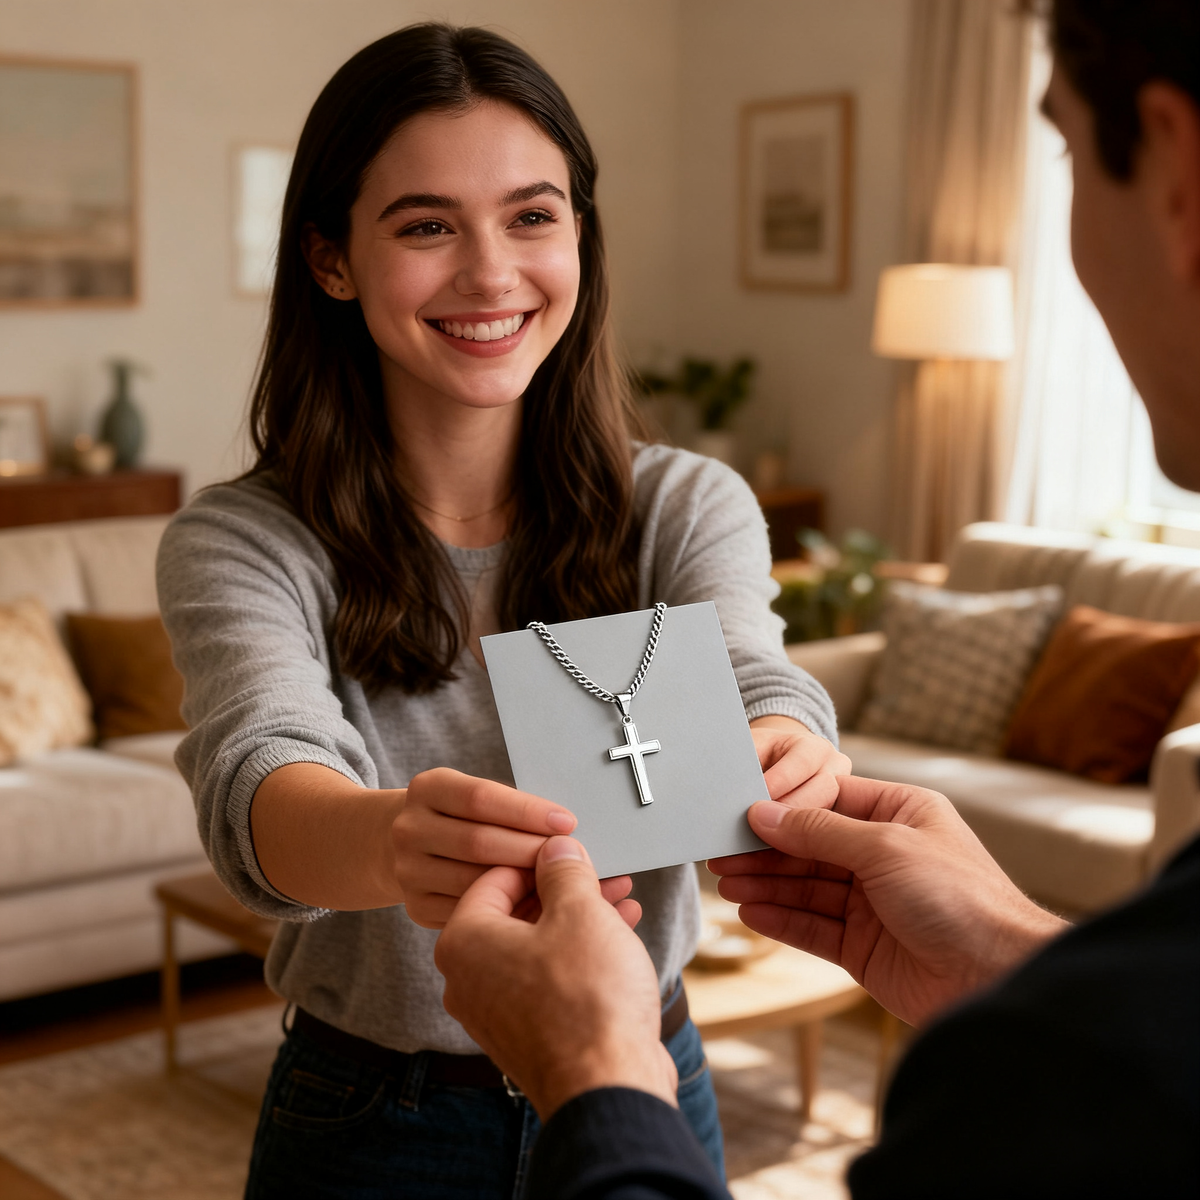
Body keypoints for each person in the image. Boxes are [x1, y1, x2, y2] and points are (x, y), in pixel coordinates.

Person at [434, 2, 1200, 1196]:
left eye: (1054, 151)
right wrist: (1014, 952)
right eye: (428, 224)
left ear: (1177, 176)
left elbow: (761, 665)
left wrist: (596, 1065)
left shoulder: (1045, 1080)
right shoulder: (1076, 1042)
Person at [157, 21, 847, 1200]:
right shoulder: (244, 539)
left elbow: (757, 675)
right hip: (376, 1116)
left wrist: (792, 748)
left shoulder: (687, 504)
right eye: (427, 225)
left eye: (533, 215)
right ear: (331, 260)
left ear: (580, 232)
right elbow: (260, 781)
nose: (491, 274)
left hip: (649, 1075)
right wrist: (396, 841)